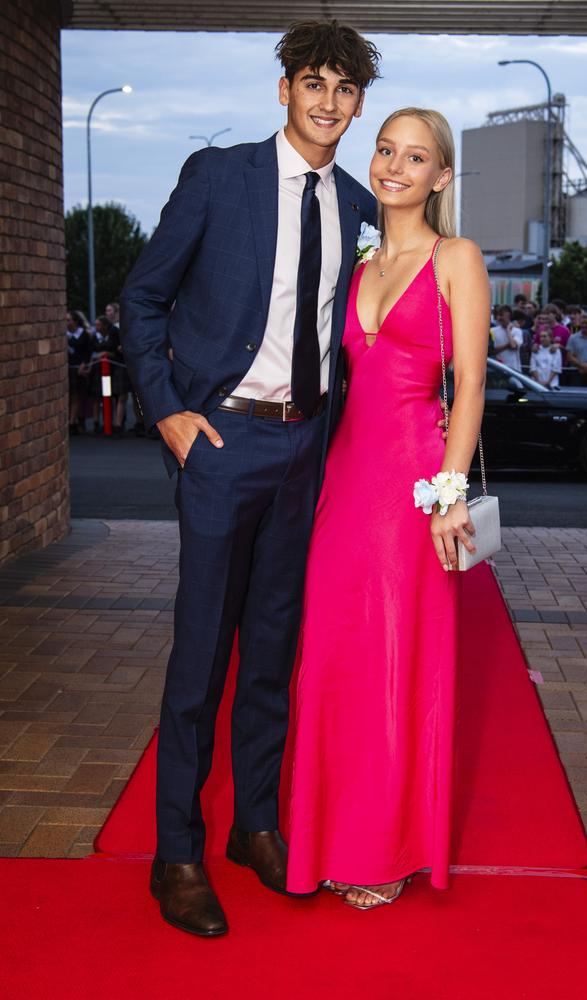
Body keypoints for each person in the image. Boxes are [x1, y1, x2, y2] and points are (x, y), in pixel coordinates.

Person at [120, 19, 381, 938]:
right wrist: (168, 413)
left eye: (346, 90)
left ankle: (254, 825)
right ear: (284, 89)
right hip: (223, 444)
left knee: (273, 652)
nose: (329, 103)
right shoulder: (219, 177)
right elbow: (142, 298)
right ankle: (176, 853)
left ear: (359, 103)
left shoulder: (357, 205)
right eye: (314, 83)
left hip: (307, 450)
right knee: (201, 656)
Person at [287, 107, 490, 908]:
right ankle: (326, 836)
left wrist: (449, 495)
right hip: (343, 483)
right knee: (334, 660)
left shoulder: (457, 257)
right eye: (385, 149)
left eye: (415, 157)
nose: (394, 166)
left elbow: (470, 382)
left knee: (394, 662)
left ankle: (380, 850)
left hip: (412, 488)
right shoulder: (357, 256)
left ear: (440, 177)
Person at [66, 309, 92, 434]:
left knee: (76, 396)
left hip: (78, 368)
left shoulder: (83, 334)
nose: (66, 322)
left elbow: (88, 351)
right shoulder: (65, 334)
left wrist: (85, 364)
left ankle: (72, 423)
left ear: (75, 321)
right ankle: (73, 420)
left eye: (68, 320)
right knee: (69, 396)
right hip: (68, 367)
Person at [566, 315, 587, 387]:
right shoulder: (573, 338)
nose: (584, 325)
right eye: (582, 323)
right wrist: (582, 365)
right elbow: (569, 356)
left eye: (586, 323)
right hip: (576, 372)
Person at [490, 304, 522, 370]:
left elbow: (513, 346)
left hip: (514, 369)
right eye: (498, 315)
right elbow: (492, 351)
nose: (499, 318)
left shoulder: (517, 331)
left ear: (509, 315)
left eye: (501, 315)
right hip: (498, 369)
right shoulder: (492, 331)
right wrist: (508, 345)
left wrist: (508, 331)